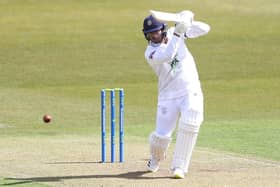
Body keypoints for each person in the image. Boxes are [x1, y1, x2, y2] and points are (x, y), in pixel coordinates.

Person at [142, 11, 210, 179]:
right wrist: (179, 32)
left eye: (156, 31)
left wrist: (187, 20)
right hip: (168, 96)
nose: (153, 35)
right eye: (150, 33)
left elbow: (205, 28)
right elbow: (168, 55)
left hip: (189, 89)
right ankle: (155, 158)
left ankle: (179, 167)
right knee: (161, 138)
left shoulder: (175, 33)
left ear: (163, 29)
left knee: (192, 121)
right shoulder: (150, 52)